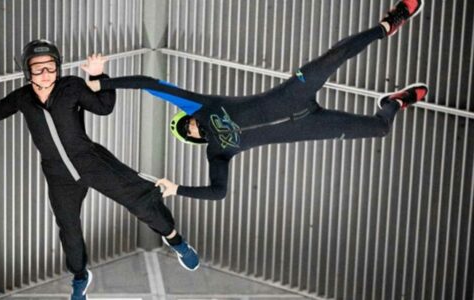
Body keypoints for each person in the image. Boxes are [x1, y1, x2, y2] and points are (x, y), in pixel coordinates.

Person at [86, 0, 428, 201]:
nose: (191, 127)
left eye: (186, 122)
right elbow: (218, 192)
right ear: (195, 139)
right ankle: (394, 103)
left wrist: (103, 82)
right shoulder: (217, 152)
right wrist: (177, 189)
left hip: (292, 95)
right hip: (310, 126)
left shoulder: (202, 106)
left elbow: (148, 83)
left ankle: (388, 24)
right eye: (188, 132)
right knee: (380, 129)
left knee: (332, 57)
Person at [0, 40, 199, 300]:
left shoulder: (71, 87)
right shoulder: (22, 98)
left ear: (58, 68)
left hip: (91, 161)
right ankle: (80, 276)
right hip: (59, 175)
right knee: (68, 226)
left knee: (138, 197)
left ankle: (175, 240)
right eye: (38, 69)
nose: (45, 74)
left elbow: (104, 107)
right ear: (28, 71)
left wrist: (97, 75)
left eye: (50, 67)